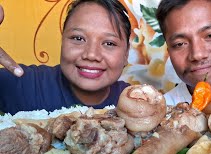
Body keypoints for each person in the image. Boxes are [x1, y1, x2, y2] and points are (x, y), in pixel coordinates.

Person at [0, 0, 131, 114]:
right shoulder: (25, 84)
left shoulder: (137, 100)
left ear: (126, 54)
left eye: (109, 43)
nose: (91, 54)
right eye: (78, 38)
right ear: (62, 42)